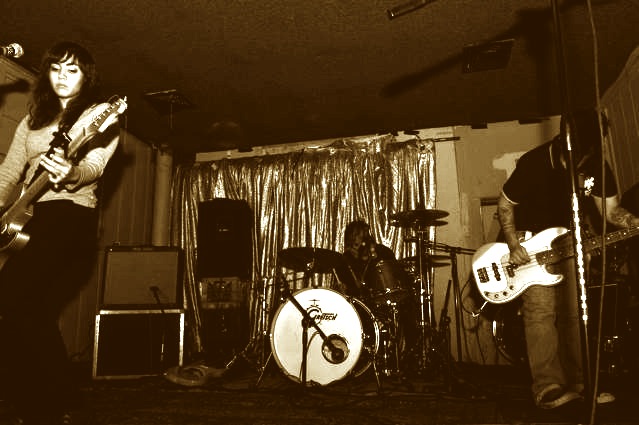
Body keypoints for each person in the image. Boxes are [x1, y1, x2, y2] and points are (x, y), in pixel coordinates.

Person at [0, 41, 120, 424]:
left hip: (70, 217)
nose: (62, 78)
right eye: (55, 69)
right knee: (26, 312)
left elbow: (95, 164)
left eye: (72, 70)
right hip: (27, 218)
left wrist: (71, 174)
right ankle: (45, 400)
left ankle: (49, 402)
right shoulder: (33, 118)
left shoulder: (100, 115)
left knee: (15, 302)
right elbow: (10, 172)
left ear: (87, 76)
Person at [496, 108, 639, 410]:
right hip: (532, 244)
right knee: (540, 311)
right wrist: (512, 244)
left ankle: (580, 382)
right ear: (565, 137)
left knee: (576, 314)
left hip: (570, 244)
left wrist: (632, 222)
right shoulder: (535, 162)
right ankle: (547, 387)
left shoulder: (598, 165)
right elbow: (505, 204)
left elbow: (611, 211)